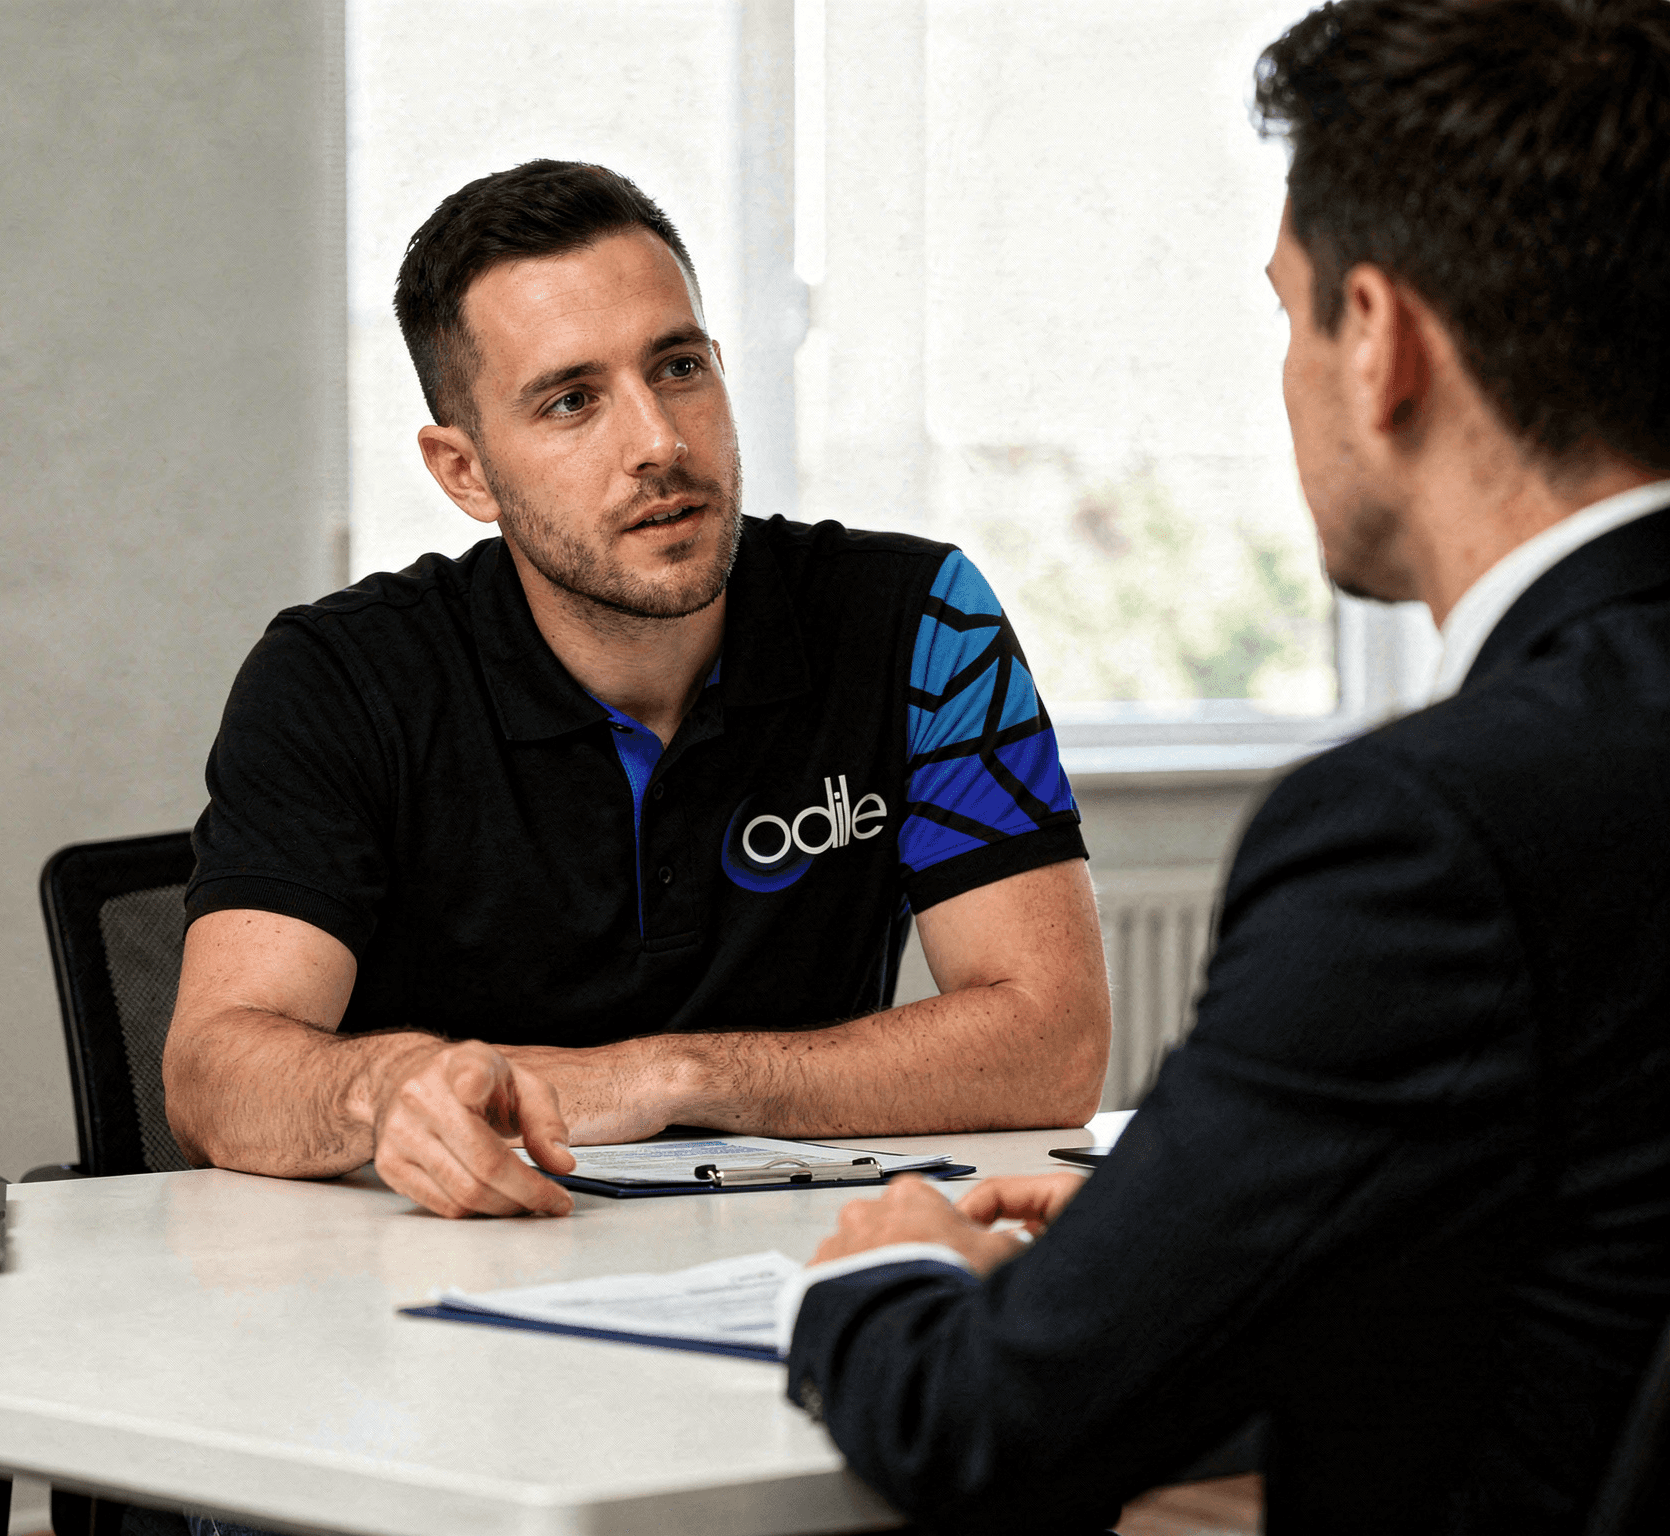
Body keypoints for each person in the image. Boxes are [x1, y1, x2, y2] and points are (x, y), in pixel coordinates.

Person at [781, 1, 1670, 1530]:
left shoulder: (1426, 835)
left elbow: (987, 1425)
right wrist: (1187, 1230)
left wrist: (888, 1267)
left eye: (1290, 317)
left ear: (1379, 340)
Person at [162, 161, 1112, 1220]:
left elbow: (1054, 1045)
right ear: (464, 472)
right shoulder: (338, 677)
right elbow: (211, 1074)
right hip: (455, 1258)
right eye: (572, 401)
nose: (659, 442)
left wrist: (668, 1077)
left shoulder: (922, 621)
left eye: (678, 367)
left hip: (796, 1255)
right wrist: (385, 1089)